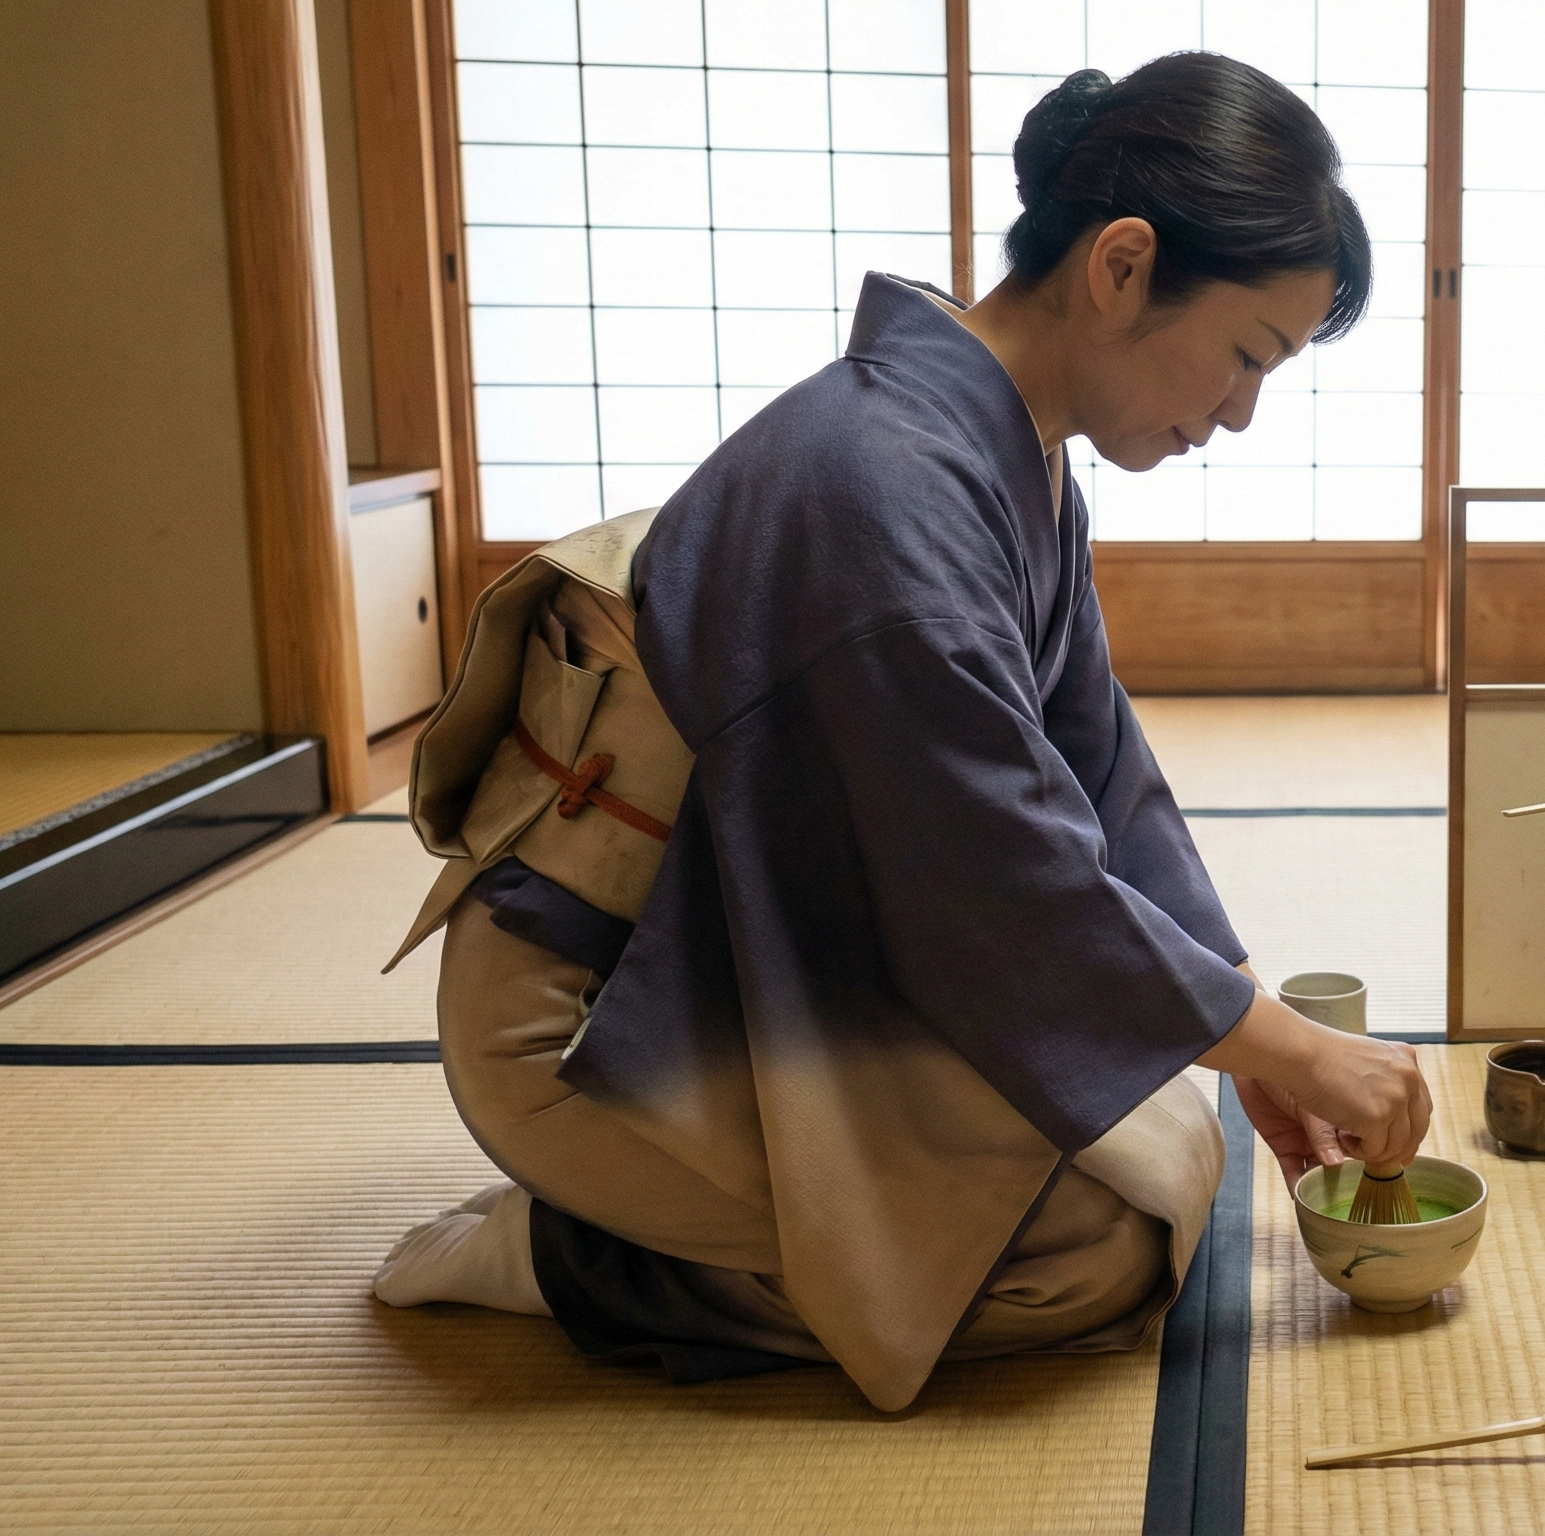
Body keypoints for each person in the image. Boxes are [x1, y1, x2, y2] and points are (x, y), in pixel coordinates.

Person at [366, 54, 1432, 1412]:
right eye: (1244, 355)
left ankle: (705, 1211)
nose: (1237, 413)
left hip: (760, 947)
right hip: (602, 1016)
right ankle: (578, 1251)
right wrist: (1280, 1045)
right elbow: (1004, 877)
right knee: (1091, 1257)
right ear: (1120, 265)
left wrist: (1244, 1023)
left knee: (1166, 1134)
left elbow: (1105, 786)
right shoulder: (879, 487)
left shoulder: (1014, 456)